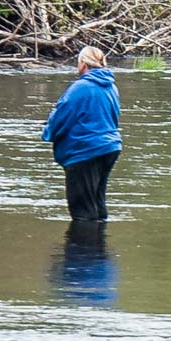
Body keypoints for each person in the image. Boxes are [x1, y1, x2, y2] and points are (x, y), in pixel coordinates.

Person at [41, 46, 121, 222]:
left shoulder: (80, 87)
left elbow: (62, 116)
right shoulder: (111, 87)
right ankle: (99, 246)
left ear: (83, 63)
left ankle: (82, 248)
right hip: (110, 147)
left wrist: (47, 132)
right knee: (97, 203)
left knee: (82, 209)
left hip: (85, 151)